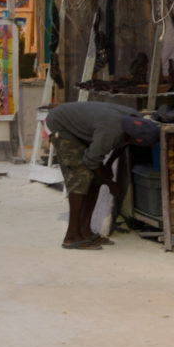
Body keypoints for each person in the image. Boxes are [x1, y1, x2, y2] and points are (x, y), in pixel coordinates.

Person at [42, 101, 161, 250]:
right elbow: (91, 160)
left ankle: (85, 231)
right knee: (80, 176)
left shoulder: (134, 119)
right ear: (137, 140)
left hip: (82, 127)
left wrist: (108, 165)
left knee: (97, 177)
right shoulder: (110, 130)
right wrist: (111, 185)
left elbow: (122, 143)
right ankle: (71, 236)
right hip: (60, 125)